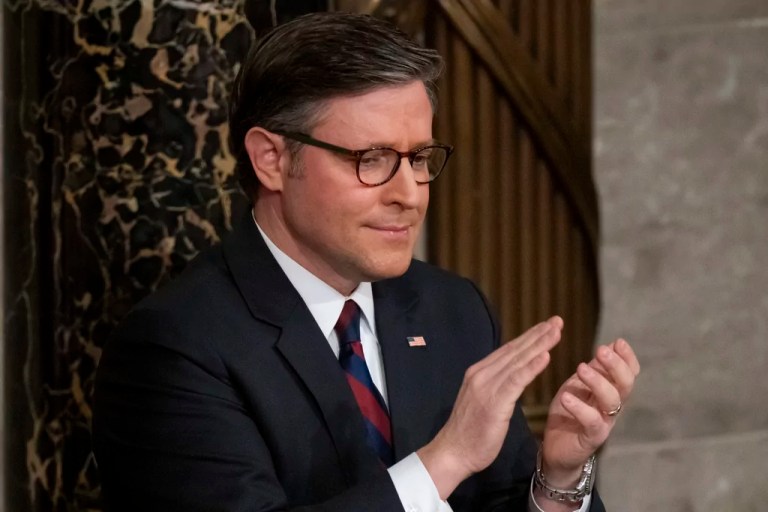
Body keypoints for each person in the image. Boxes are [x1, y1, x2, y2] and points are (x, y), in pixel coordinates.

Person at [93, 11, 639, 512]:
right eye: (371, 160)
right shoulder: (175, 348)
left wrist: (558, 479)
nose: (410, 194)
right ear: (272, 159)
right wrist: (445, 459)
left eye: (419, 158)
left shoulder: (453, 310)